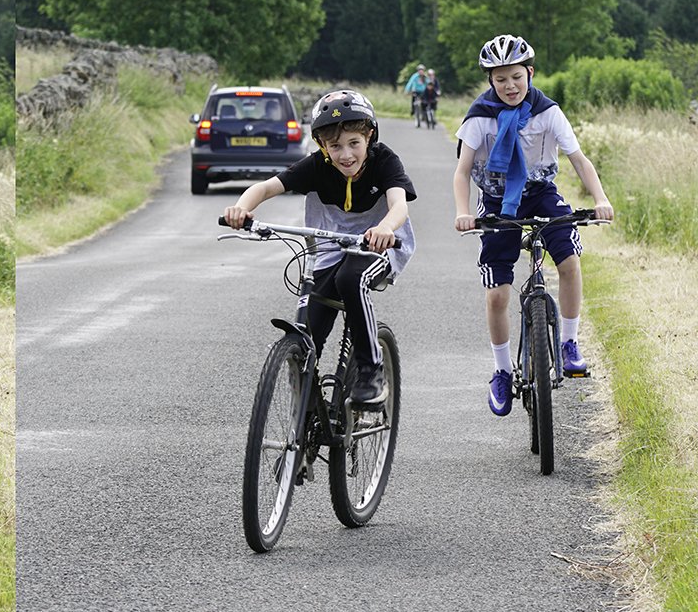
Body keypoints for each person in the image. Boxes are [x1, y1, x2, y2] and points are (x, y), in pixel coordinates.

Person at [451, 33, 614, 417]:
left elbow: (579, 160)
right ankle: (502, 370)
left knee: (570, 260)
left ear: (530, 73)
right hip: (496, 200)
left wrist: (600, 199)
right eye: (500, 79)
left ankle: (570, 344)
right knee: (497, 295)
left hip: (541, 192)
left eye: (516, 77)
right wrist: (462, 211)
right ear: (491, 81)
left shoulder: (548, 112)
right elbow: (461, 172)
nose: (509, 86)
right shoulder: (480, 118)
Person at [223, 89, 416, 405]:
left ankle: (371, 372)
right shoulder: (316, 166)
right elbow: (266, 187)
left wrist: (384, 228)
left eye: (354, 143)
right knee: (306, 335)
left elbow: (399, 206)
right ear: (322, 146)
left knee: (349, 279)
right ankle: (310, 416)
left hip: (381, 247)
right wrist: (241, 209)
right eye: (335, 146)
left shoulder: (385, 162)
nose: (346, 154)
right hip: (328, 251)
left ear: (369, 137)